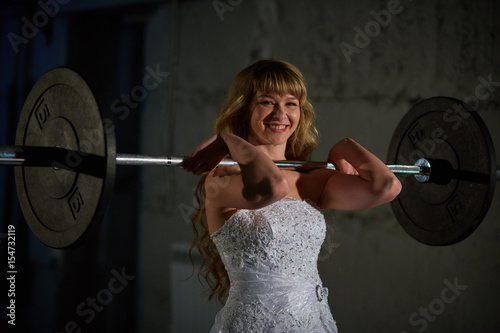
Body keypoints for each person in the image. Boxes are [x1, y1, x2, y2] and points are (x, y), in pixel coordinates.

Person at [183, 59, 401, 332]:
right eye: (266, 102)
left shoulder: (310, 180)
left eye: (291, 103)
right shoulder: (222, 178)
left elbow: (386, 186)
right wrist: (227, 140)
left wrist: (344, 147)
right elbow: (273, 187)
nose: (280, 113)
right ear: (243, 109)